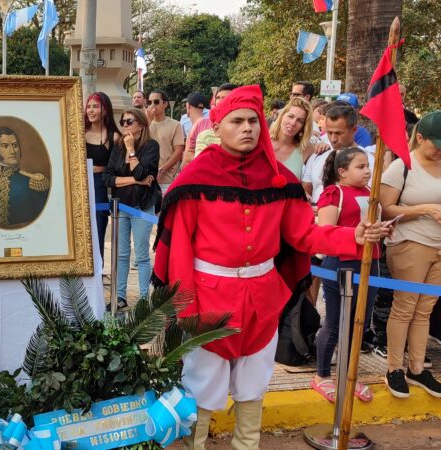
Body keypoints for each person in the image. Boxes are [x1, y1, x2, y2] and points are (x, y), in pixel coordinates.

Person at [152, 85, 390, 450]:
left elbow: (305, 234)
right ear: (219, 125)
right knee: (199, 387)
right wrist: (185, 307)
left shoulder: (279, 178)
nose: (247, 128)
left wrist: (353, 237)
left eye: (253, 120)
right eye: (237, 121)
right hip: (207, 301)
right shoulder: (196, 178)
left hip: (262, 301)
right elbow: (180, 249)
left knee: (253, 386)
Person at [381, 111, 441, 398]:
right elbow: (385, 210)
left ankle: (417, 368)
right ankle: (394, 368)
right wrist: (425, 209)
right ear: (420, 138)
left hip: (439, 247)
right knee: (405, 306)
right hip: (410, 243)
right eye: (436, 144)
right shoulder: (402, 166)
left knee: (424, 309)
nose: (440, 150)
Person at [310, 147, 378, 404]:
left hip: (370, 265)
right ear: (342, 171)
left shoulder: (370, 194)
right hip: (340, 264)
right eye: (360, 166)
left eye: (367, 166)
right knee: (336, 322)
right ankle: (322, 375)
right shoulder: (333, 193)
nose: (367, 171)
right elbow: (326, 232)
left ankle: (349, 375)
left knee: (359, 321)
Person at [103, 108, 159, 309]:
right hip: (121, 207)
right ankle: (120, 296)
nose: (125, 125)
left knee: (142, 255)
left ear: (141, 124)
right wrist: (135, 180)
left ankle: (144, 299)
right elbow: (107, 178)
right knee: (122, 254)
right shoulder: (117, 147)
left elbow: (143, 171)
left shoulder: (151, 146)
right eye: (123, 121)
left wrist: (131, 151)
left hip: (142, 206)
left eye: (129, 121)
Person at [0, 126, 50, 228]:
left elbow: (44, 224)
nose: (13, 151)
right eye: (5, 146)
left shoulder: (34, 183)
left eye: (15, 145)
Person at [302, 103, 374, 204]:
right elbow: (307, 189)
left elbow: (369, 196)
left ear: (354, 130)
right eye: (329, 132)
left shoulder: (368, 160)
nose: (333, 139)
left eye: (338, 133)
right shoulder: (318, 154)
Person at [84, 92, 120, 260]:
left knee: (98, 228)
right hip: (79, 184)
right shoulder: (79, 132)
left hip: (99, 186)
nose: (91, 110)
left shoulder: (114, 136)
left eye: (95, 106)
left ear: (105, 110)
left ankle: (97, 273)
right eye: (88, 106)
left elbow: (116, 168)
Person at [182, 83, 238, 167]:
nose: (220, 101)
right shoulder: (202, 127)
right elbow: (188, 154)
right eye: (218, 97)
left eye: (225, 98)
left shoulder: (246, 129)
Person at [146, 90, 185, 194]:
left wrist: (161, 170)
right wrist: (147, 121)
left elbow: (178, 151)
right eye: (149, 102)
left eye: (156, 102)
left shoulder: (175, 125)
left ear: (165, 104)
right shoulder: (144, 125)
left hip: (166, 180)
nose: (152, 105)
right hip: (145, 179)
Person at [269, 97, 314, 179]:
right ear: (282, 116)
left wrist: (322, 146)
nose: (293, 123)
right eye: (290, 116)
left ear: (303, 126)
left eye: (300, 121)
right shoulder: (263, 142)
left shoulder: (306, 149)